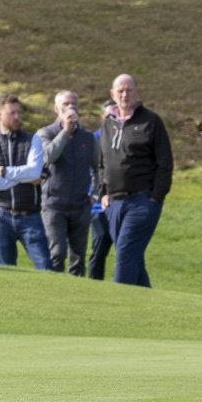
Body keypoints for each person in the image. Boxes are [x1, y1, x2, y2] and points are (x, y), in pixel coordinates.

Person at [96, 73, 173, 288]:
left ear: (137, 92)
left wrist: (155, 197)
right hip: (114, 203)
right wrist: (103, 192)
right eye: (120, 91)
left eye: (129, 90)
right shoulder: (107, 124)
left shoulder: (151, 121)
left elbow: (165, 163)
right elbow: (101, 162)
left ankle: (118, 303)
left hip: (141, 201)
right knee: (132, 257)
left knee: (125, 253)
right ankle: (146, 301)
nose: (124, 95)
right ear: (112, 94)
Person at [0, 93, 52, 270]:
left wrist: (5, 172)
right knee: (5, 272)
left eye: (19, 112)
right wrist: (24, 179)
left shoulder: (33, 140)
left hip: (30, 215)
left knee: (46, 267)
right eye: (12, 113)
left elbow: (34, 171)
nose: (18, 117)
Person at [37, 90, 94, 276]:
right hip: (54, 206)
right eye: (65, 104)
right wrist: (65, 131)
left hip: (81, 206)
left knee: (78, 258)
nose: (71, 108)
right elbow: (48, 156)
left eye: (74, 104)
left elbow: (100, 167)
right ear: (56, 109)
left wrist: (96, 192)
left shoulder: (87, 138)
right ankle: (53, 290)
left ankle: (76, 292)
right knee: (57, 254)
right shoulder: (45, 133)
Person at [86, 101, 118, 281]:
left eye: (116, 116)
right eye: (109, 116)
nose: (113, 120)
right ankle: (93, 286)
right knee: (99, 249)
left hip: (121, 203)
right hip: (99, 207)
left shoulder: (125, 138)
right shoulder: (93, 140)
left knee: (127, 250)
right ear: (102, 117)